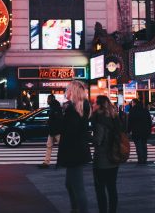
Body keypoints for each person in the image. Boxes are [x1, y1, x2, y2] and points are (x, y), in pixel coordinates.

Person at [57, 80, 92, 213]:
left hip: (75, 151)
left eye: (68, 89)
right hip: (76, 150)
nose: (66, 91)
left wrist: (61, 117)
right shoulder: (76, 108)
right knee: (70, 184)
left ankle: (77, 209)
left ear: (73, 92)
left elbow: (70, 130)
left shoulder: (75, 109)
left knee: (77, 186)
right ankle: (75, 209)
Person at [92, 95, 120, 213]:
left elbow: (98, 140)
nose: (93, 105)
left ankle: (103, 210)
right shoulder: (115, 117)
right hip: (114, 157)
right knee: (112, 188)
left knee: (100, 189)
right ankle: (112, 210)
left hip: (102, 160)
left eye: (94, 103)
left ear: (99, 105)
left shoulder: (99, 119)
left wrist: (88, 136)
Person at [38, 94, 63, 168]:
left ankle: (59, 162)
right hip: (53, 130)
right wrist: (49, 121)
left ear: (51, 99)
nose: (47, 101)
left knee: (59, 146)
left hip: (56, 130)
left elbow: (57, 119)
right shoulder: (54, 107)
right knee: (49, 145)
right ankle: (46, 162)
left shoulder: (56, 108)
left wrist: (49, 122)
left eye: (48, 99)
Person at [128, 98, 152, 164]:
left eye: (132, 103)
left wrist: (128, 130)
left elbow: (130, 122)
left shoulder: (132, 110)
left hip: (136, 131)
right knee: (144, 145)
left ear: (134, 103)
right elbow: (149, 121)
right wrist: (149, 130)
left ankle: (140, 159)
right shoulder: (145, 110)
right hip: (145, 131)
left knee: (138, 146)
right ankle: (144, 159)